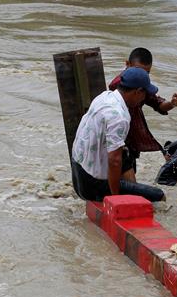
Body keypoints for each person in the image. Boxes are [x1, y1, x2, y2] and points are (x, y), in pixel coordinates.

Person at [71, 67, 165, 202]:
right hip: (92, 186)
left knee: (123, 152)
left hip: (78, 172)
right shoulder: (119, 117)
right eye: (145, 94)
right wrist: (116, 199)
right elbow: (114, 161)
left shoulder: (105, 96)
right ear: (138, 92)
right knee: (158, 195)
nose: (144, 98)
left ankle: (131, 191)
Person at [108, 47, 177, 181]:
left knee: (128, 174)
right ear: (127, 65)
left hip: (132, 139)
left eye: (146, 72)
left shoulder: (142, 84)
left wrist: (172, 103)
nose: (142, 76)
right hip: (120, 137)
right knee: (123, 176)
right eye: (138, 71)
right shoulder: (119, 85)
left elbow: (158, 104)